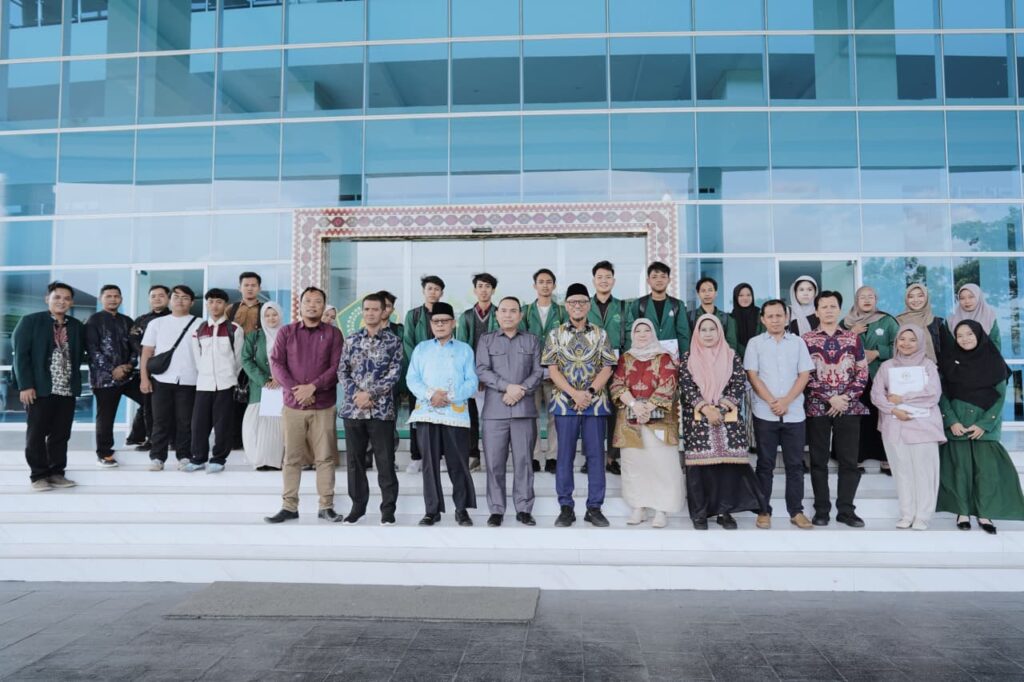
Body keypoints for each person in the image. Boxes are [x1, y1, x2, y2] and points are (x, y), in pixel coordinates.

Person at [264, 286, 345, 524]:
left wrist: (313, 387)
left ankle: (326, 506)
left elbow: (337, 367)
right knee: (292, 457)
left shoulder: (333, 334)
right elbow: (277, 363)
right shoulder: (286, 332)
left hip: (323, 405)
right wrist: (297, 391)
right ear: (299, 305)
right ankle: (289, 506)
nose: (312, 305)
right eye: (307, 301)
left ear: (323, 306)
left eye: (317, 301)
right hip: (293, 406)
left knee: (325, 457)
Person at [680, 314, 767, 530]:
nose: (708, 334)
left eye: (712, 329)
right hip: (698, 421)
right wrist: (705, 407)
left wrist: (719, 408)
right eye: (703, 330)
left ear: (720, 331)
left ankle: (724, 512)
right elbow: (686, 386)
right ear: (697, 333)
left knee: (727, 469)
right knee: (700, 470)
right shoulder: (688, 357)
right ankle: (700, 513)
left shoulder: (731, 355)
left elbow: (738, 383)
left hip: (728, 420)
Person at [936, 320, 1024, 534]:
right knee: (959, 470)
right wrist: (951, 421)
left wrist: (984, 424)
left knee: (986, 472)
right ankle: (962, 512)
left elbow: (1000, 397)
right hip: (958, 424)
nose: (964, 339)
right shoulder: (949, 361)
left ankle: (985, 513)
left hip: (984, 427)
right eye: (959, 335)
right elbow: (942, 395)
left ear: (979, 335)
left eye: (969, 334)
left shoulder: (994, 361)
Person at [542, 283, 617, 528]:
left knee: (596, 456)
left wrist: (589, 392)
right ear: (566, 305)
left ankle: (594, 508)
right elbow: (552, 370)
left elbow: (607, 367)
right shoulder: (555, 335)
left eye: (582, 302)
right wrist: (574, 393)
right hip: (565, 403)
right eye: (573, 302)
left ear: (588, 305)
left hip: (595, 404)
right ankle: (566, 507)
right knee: (564, 456)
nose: (577, 306)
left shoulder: (600, 334)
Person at [406, 302, 479, 527]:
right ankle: (432, 510)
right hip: (427, 414)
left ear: (453, 323)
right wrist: (431, 395)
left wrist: (450, 396)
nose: (440, 325)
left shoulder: (464, 349)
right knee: (429, 465)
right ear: (431, 324)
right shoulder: (421, 349)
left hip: (455, 414)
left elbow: (472, 381)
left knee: (458, 463)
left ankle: (461, 510)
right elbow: (412, 378)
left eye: (444, 321)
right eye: (436, 321)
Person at [744, 299, 815, 530]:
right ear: (763, 319)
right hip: (765, 413)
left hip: (793, 413)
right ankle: (763, 510)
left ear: (786, 318)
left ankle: (796, 511)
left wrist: (786, 401)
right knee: (765, 464)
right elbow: (753, 375)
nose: (775, 320)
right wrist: (772, 401)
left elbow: (804, 375)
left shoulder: (798, 343)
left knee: (795, 465)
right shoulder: (755, 343)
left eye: (779, 315)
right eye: (770, 316)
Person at [803, 290, 869, 528]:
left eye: (833, 306)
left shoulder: (852, 338)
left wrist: (845, 398)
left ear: (839, 309)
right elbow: (804, 374)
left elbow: (862, 372)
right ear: (816, 311)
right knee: (818, 461)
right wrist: (830, 398)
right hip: (817, 408)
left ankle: (846, 510)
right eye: (824, 306)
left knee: (849, 461)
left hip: (848, 408)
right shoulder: (806, 340)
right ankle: (821, 510)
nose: (829, 310)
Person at [13, 281, 88, 491]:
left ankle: (56, 473)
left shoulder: (76, 326)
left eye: (66, 298)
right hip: (40, 388)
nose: (62, 301)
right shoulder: (30, 321)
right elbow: (20, 356)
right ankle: (38, 475)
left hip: (66, 388)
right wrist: (25, 385)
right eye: (57, 297)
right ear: (47, 299)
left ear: (71, 302)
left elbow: (81, 353)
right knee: (36, 434)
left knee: (61, 434)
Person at [870, 324, 945, 530]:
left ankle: (923, 515)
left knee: (924, 473)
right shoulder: (887, 366)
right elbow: (876, 395)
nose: (906, 344)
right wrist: (894, 410)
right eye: (902, 339)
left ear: (920, 342)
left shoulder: (928, 366)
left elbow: (933, 394)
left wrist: (903, 398)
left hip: (923, 426)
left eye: (912, 340)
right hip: (895, 426)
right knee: (902, 472)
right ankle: (907, 514)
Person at [609, 319, 683, 528]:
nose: (642, 334)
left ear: (653, 334)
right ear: (632, 334)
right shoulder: (626, 358)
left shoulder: (665, 357)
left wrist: (647, 408)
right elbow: (616, 384)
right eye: (638, 331)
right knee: (634, 465)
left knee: (662, 464)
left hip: (660, 421)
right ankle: (638, 507)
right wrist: (635, 405)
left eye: (646, 330)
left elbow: (669, 384)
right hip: (630, 420)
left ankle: (661, 509)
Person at [476, 296, 543, 527]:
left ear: (520, 315)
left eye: (513, 311)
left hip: (524, 411)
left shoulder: (532, 340)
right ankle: (496, 509)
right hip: (495, 412)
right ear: (496, 315)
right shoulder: (486, 340)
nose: (508, 315)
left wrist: (520, 389)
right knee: (494, 463)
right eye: (503, 310)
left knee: (524, 462)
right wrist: (507, 387)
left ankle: (524, 508)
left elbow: (538, 371)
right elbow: (482, 370)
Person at [338, 293, 402, 525]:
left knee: (385, 462)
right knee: (355, 462)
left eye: (375, 309)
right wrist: (357, 395)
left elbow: (394, 373)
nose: (370, 313)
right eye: (366, 309)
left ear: (384, 312)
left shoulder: (393, 341)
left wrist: (371, 394)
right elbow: (342, 371)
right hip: (353, 410)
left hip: (381, 411)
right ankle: (358, 507)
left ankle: (388, 510)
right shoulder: (351, 340)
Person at [180, 289, 244, 474]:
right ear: (207, 304)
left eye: (219, 302)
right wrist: (205, 374)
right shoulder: (199, 330)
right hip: (204, 383)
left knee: (223, 424)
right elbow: (197, 358)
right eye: (211, 302)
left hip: (226, 383)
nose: (214, 305)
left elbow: (238, 359)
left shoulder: (234, 329)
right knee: (198, 424)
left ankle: (218, 459)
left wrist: (229, 376)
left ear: (225, 305)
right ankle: (198, 459)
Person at [140, 285, 200, 472]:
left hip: (190, 379)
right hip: (161, 379)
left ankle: (184, 456)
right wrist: (144, 378)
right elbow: (146, 352)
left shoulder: (200, 324)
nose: (180, 300)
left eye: (185, 297)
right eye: (176, 297)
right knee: (160, 420)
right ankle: (157, 457)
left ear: (192, 302)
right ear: (170, 300)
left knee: (186, 421)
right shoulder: (156, 323)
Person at [842, 286, 900, 474]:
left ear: (876, 299)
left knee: (882, 417)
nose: (866, 300)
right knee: (856, 419)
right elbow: (834, 348)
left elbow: (900, 346)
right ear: (856, 301)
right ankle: (856, 460)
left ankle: (885, 460)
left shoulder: (887, 321)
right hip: (853, 379)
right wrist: (852, 333)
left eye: (870, 297)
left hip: (879, 377)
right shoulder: (846, 323)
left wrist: (877, 352)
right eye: (862, 297)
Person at [85, 284, 141, 468]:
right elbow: (92, 350)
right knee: (106, 416)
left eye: (116, 296)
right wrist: (112, 370)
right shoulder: (93, 321)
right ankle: (104, 453)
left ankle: (140, 437)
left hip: (128, 375)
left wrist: (129, 365)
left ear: (121, 299)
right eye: (108, 296)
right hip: (104, 379)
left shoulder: (127, 321)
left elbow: (135, 347)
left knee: (150, 399)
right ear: (101, 299)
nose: (113, 299)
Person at [588, 261, 632, 477]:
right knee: (591, 414)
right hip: (589, 368)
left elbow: (630, 337)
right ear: (594, 280)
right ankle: (592, 458)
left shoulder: (623, 307)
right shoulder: (585, 305)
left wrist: (627, 366)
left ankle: (612, 457)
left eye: (607, 277)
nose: (603, 281)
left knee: (616, 413)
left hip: (617, 367)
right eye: (600, 277)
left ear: (613, 281)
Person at [521, 268, 566, 474]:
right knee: (531, 416)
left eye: (549, 282)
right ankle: (535, 455)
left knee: (554, 416)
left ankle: (553, 456)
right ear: (535, 286)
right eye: (541, 282)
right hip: (531, 373)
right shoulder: (526, 311)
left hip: (555, 373)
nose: (545, 285)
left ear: (554, 285)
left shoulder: (562, 311)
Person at [456, 273, 500, 472]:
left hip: (495, 376)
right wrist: (473, 376)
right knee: (470, 417)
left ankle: (494, 455)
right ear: (475, 290)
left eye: (488, 286)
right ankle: (473, 455)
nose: (484, 290)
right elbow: (462, 350)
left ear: (493, 290)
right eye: (480, 286)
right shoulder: (466, 316)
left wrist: (487, 375)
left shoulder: (500, 314)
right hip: (471, 376)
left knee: (493, 418)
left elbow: (502, 349)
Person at [402, 275, 445, 473]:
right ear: (423, 291)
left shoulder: (445, 313)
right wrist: (420, 368)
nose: (433, 292)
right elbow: (408, 342)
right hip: (419, 376)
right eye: (430, 288)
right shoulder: (413, 315)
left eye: (437, 289)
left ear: (441, 293)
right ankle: (416, 456)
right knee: (417, 416)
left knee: (442, 415)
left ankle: (441, 455)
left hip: (441, 375)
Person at [241, 302, 286, 471]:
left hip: (282, 387)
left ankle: (277, 461)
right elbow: (246, 359)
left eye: (274, 314)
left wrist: (280, 378)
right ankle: (260, 460)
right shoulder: (254, 336)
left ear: (280, 315)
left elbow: (294, 358)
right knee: (254, 425)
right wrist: (264, 380)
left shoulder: (288, 335)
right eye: (267, 315)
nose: (271, 318)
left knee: (279, 425)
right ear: (262, 317)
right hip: (261, 388)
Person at [126, 285, 170, 450]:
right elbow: (133, 339)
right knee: (149, 406)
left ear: (168, 298)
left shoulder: (174, 318)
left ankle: (172, 439)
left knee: (170, 406)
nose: (157, 299)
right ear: (149, 299)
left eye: (161, 295)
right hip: (148, 368)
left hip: (171, 368)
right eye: (153, 296)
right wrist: (147, 353)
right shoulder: (142, 320)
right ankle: (151, 439)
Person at [227, 271, 264, 450]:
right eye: (246, 285)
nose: (250, 288)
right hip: (234, 361)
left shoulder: (265, 309)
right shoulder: (231, 309)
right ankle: (235, 440)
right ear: (239, 287)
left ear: (259, 288)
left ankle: (255, 440)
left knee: (255, 400)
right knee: (235, 400)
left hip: (256, 361)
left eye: (253, 285)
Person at [730, 282, 764, 453]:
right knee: (738, 404)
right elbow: (731, 341)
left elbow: (763, 338)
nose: (745, 298)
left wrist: (752, 354)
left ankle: (755, 442)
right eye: (741, 295)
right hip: (737, 365)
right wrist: (745, 353)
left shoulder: (760, 315)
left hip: (759, 366)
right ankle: (739, 440)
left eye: (748, 295)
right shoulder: (731, 317)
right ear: (736, 298)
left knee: (756, 404)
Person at [896, 283, 945, 365]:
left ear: (926, 298)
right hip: (904, 369)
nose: (916, 300)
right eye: (911, 296)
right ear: (906, 299)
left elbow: (946, 352)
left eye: (920, 296)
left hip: (933, 369)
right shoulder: (898, 322)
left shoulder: (936, 322)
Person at [688, 277, 738, 351]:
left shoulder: (726, 318)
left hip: (721, 357)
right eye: (703, 291)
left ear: (716, 293)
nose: (707, 294)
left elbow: (731, 345)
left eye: (710, 290)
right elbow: (687, 342)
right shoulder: (690, 317)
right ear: (698, 294)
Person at [946, 283, 1001, 351]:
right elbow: (948, 346)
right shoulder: (951, 320)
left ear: (978, 297)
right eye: (962, 298)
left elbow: (995, 345)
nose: (967, 301)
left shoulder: (989, 316)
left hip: (985, 356)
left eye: (971, 297)